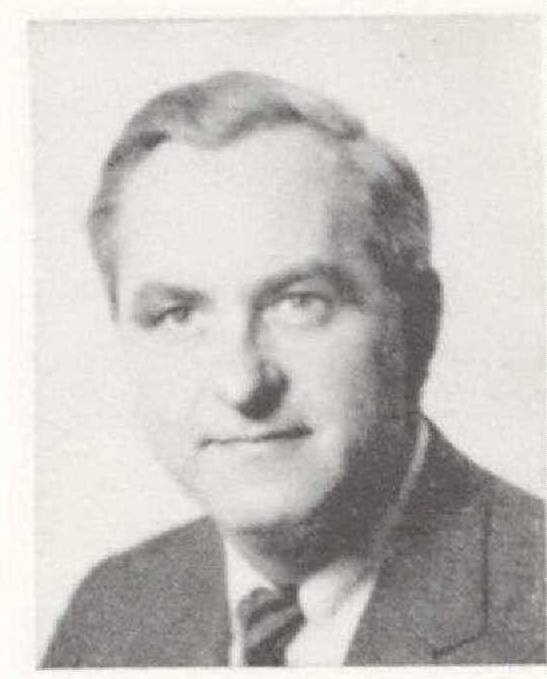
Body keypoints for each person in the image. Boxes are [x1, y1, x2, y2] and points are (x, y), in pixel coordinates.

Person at [42, 71, 545, 667]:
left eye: (299, 303)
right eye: (178, 315)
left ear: (417, 323)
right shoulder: (111, 614)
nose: (241, 384)